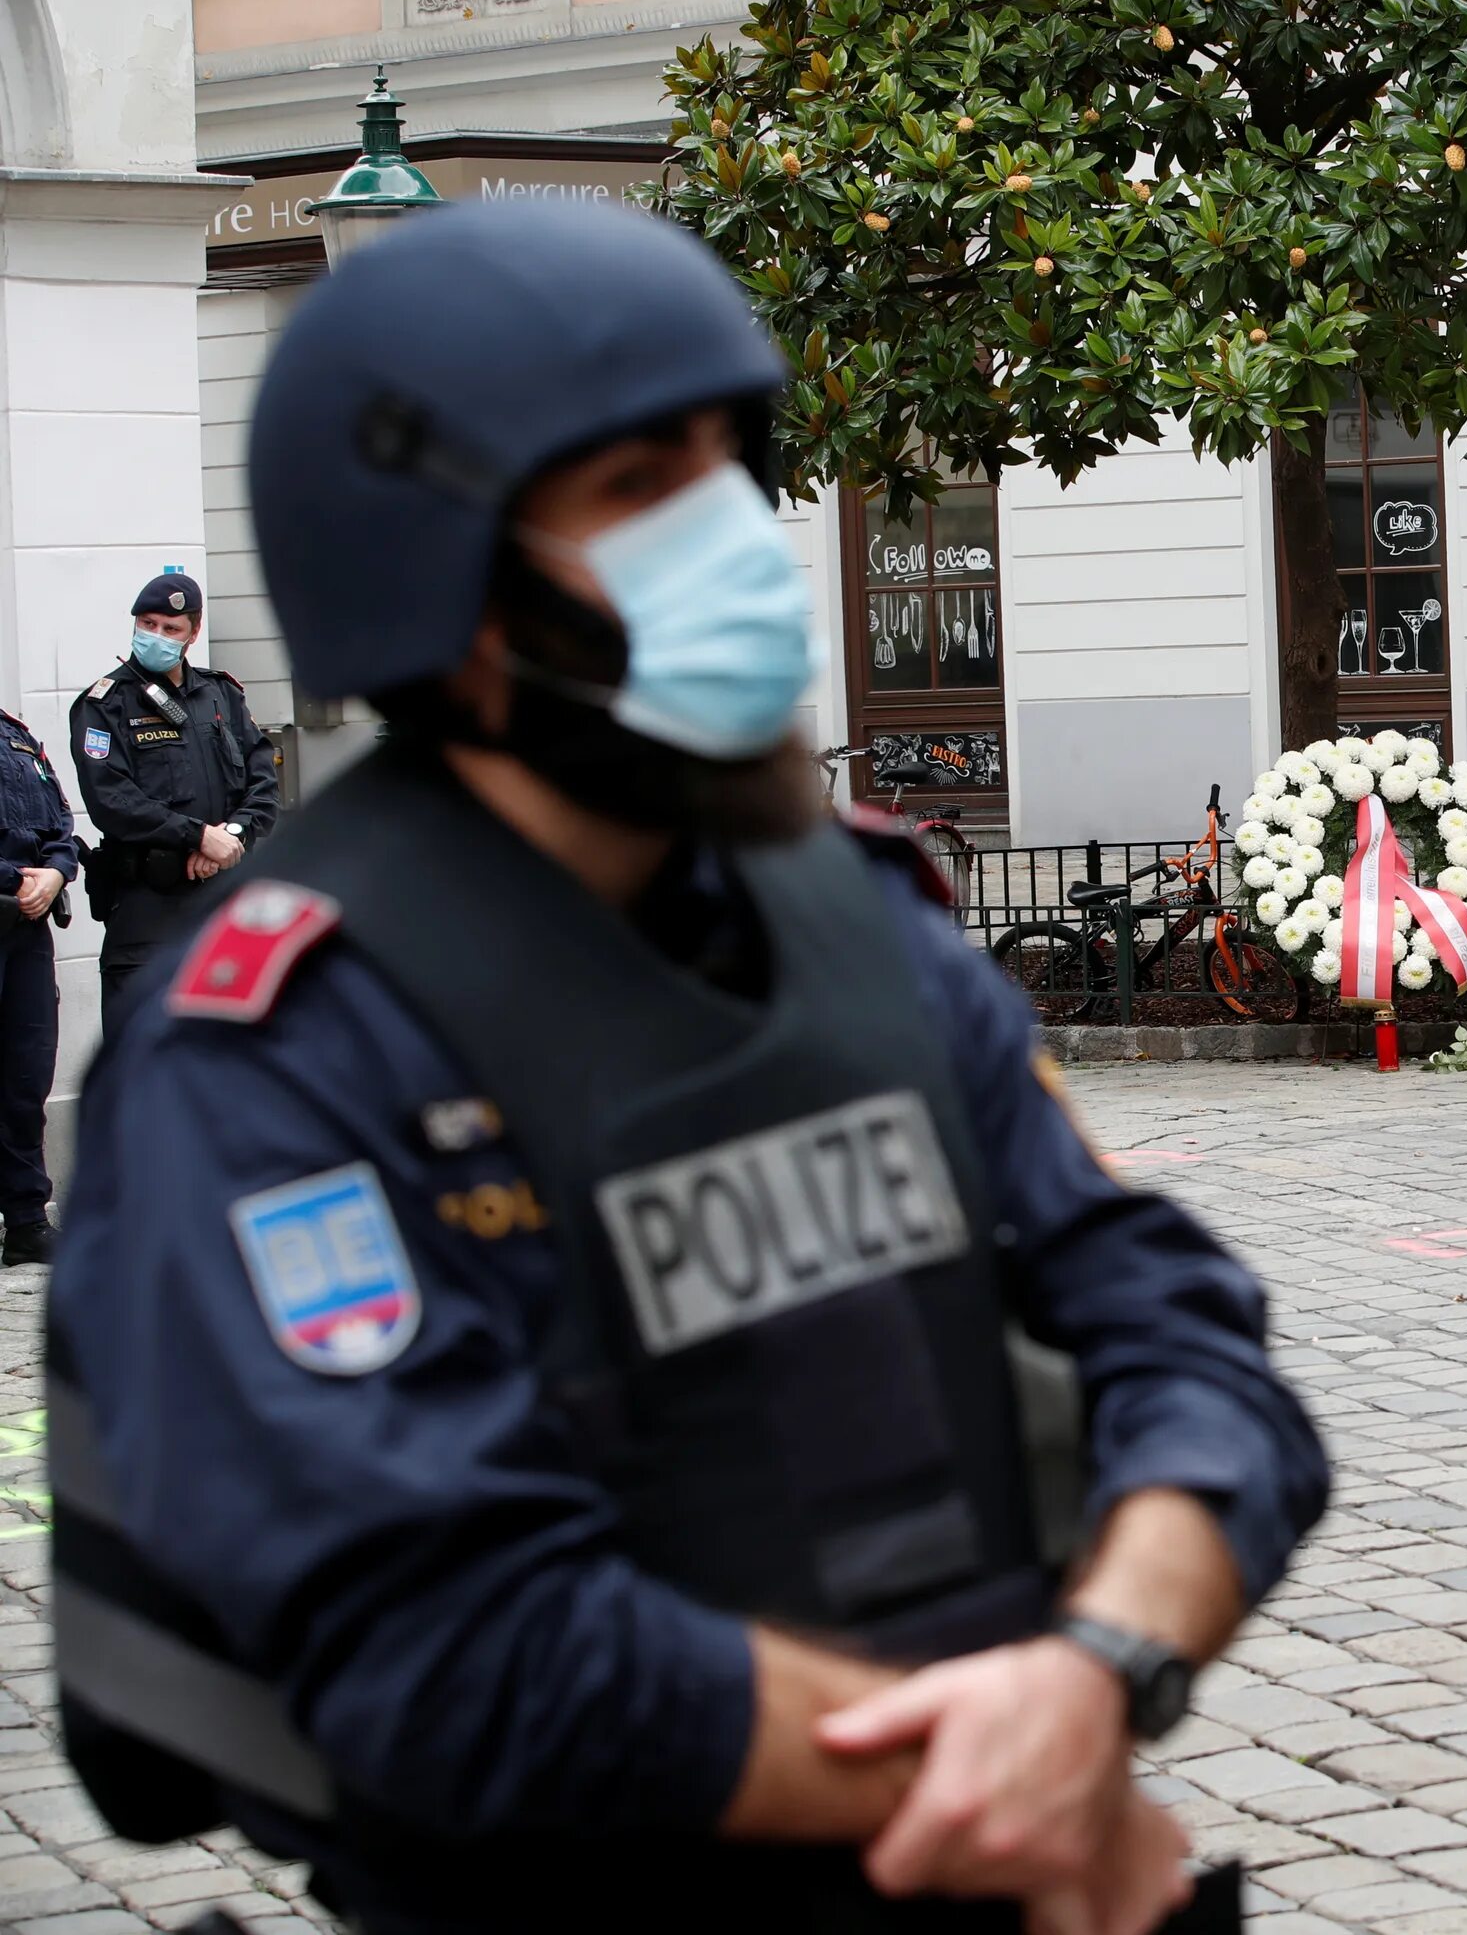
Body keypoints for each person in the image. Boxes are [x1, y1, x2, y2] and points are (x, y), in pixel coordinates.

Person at [46, 199, 1328, 1933]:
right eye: (643, 486)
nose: (729, 534)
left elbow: (1181, 1335)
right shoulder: (279, 1049)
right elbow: (461, 1647)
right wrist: (1026, 1804)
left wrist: (1094, 1676)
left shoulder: (857, 921)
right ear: (448, 576)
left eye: (729, 466)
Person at [68, 571, 278, 1031]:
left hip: (223, 904)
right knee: (146, 1052)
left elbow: (263, 787)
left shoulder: (220, 694)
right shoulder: (105, 703)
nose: (156, 636)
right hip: (147, 910)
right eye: (148, 624)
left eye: (171, 628)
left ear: (193, 633)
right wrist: (198, 837)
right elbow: (110, 798)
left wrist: (229, 840)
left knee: (232, 1050)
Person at [0, 699, 76, 1265]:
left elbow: (60, 822)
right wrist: (17, 879)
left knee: (26, 1078)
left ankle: (27, 1220)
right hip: (13, 900)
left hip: (25, 930)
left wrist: (55, 871)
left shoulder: (16, 736)